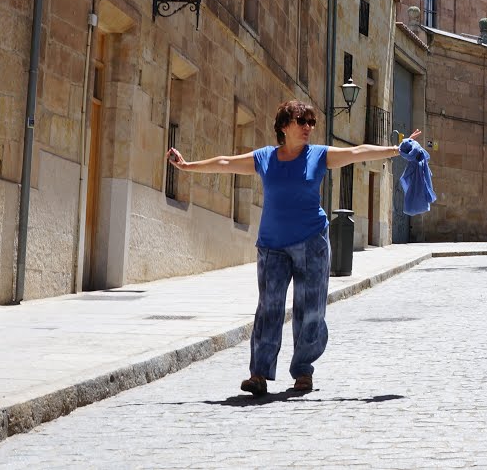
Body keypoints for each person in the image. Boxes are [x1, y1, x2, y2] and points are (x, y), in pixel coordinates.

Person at [167, 99, 421, 395]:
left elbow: (355, 153)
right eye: (302, 122)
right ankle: (258, 374)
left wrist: (395, 149)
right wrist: (187, 167)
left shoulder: (318, 156)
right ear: (284, 126)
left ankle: (303, 371)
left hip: (312, 242)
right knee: (269, 309)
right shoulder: (265, 158)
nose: (308, 128)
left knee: (310, 310)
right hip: (272, 246)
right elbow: (226, 163)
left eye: (311, 123)